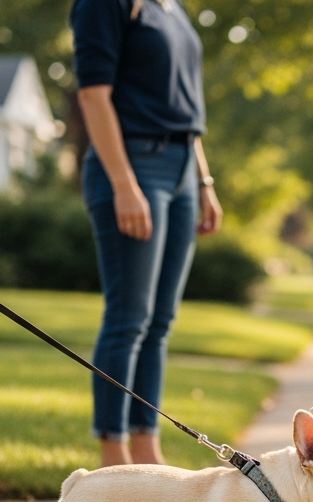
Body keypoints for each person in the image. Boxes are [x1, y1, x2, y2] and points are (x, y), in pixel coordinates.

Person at [71, 0, 223, 468]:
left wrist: (203, 181)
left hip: (180, 168)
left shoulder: (170, 7)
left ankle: (145, 447)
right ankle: (113, 455)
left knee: (159, 324)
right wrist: (123, 183)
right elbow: (94, 96)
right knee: (128, 318)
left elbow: (183, 108)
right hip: (133, 164)